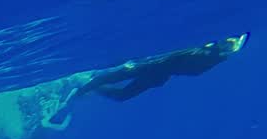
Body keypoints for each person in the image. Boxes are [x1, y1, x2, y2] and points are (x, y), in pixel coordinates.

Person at [74, 32, 249, 102]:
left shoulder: (213, 59)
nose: (230, 46)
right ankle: (84, 85)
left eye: (233, 46)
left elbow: (194, 71)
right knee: (108, 78)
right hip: (151, 66)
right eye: (229, 42)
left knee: (121, 95)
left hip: (159, 75)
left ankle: (88, 84)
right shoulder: (202, 48)